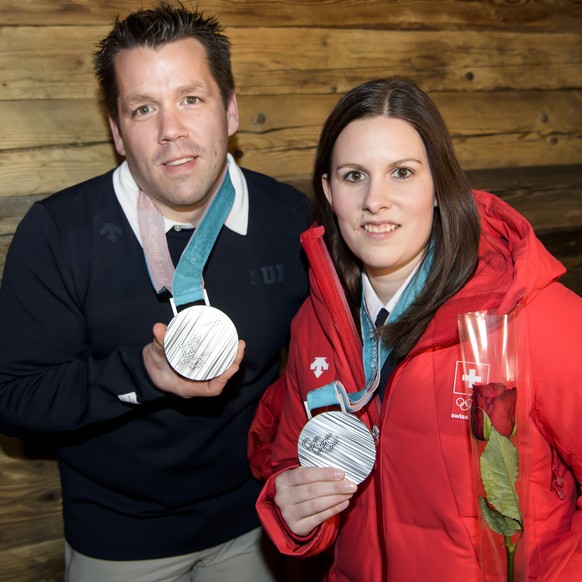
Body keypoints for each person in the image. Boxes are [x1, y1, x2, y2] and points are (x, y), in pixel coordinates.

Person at [0, 3, 309, 581]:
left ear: (231, 110)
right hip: (120, 538)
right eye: (144, 109)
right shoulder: (58, 233)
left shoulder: (291, 220)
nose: (172, 132)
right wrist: (140, 374)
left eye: (191, 99)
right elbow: (13, 398)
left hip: (256, 520)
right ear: (118, 132)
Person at [251, 77, 582, 580]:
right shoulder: (314, 324)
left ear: (438, 187)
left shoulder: (536, 315)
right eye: (353, 175)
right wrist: (293, 510)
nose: (375, 200)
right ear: (328, 193)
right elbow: (289, 462)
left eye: (401, 172)